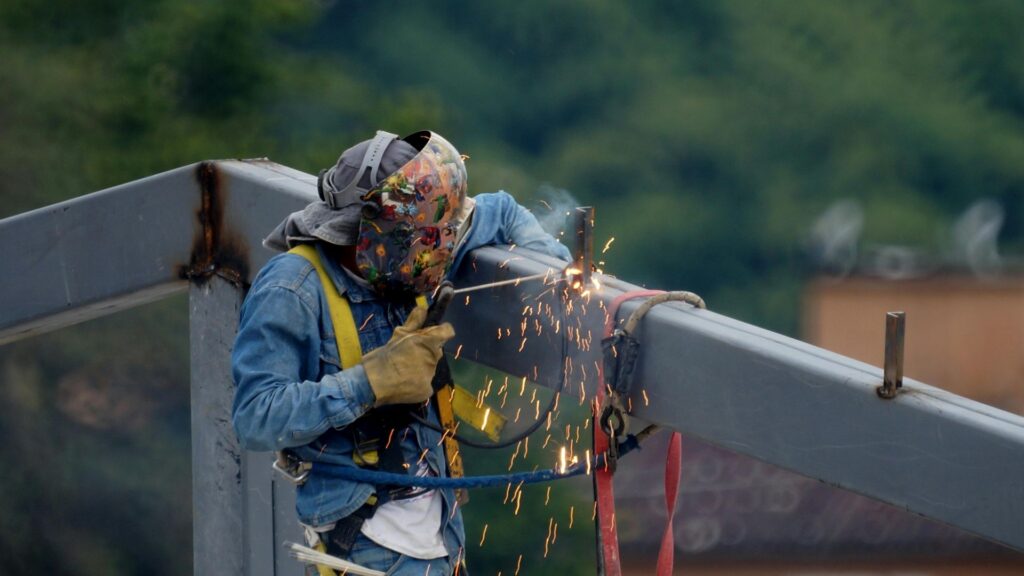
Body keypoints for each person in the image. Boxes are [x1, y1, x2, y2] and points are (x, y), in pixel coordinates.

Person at [231, 130, 571, 575]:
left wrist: (552, 271)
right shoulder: (293, 289)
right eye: (428, 239)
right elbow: (255, 418)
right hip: (366, 546)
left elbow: (500, 209)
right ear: (377, 231)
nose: (441, 250)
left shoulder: (416, 244)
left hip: (443, 538)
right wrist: (368, 384)